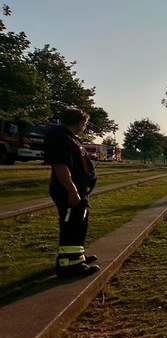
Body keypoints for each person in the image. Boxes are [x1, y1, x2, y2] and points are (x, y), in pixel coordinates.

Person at [44, 108, 100, 278]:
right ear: (80, 123)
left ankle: (77, 257)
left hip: (77, 191)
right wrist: (72, 190)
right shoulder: (60, 137)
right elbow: (60, 165)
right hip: (69, 191)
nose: (85, 127)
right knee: (71, 226)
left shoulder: (69, 137)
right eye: (85, 123)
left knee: (78, 224)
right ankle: (69, 266)